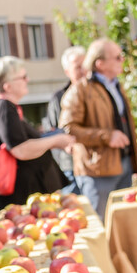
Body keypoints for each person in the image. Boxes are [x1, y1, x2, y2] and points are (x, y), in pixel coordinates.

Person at [60, 38, 137, 220]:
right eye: (117, 57)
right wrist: (106, 136)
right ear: (100, 64)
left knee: (123, 222)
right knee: (100, 222)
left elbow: (126, 126)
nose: (122, 60)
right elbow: (68, 129)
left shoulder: (117, 86)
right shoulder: (80, 90)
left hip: (124, 164)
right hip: (97, 171)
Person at [0, 56, 75, 207]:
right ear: (7, 86)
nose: (27, 80)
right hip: (25, 198)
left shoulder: (5, 107)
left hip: (30, 196)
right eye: (23, 77)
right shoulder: (4, 107)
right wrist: (56, 141)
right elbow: (20, 149)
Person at [45, 46, 86, 195]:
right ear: (67, 71)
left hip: (99, 165)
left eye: (85, 64)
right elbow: (53, 130)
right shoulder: (58, 98)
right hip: (71, 165)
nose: (83, 70)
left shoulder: (100, 92)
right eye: (78, 67)